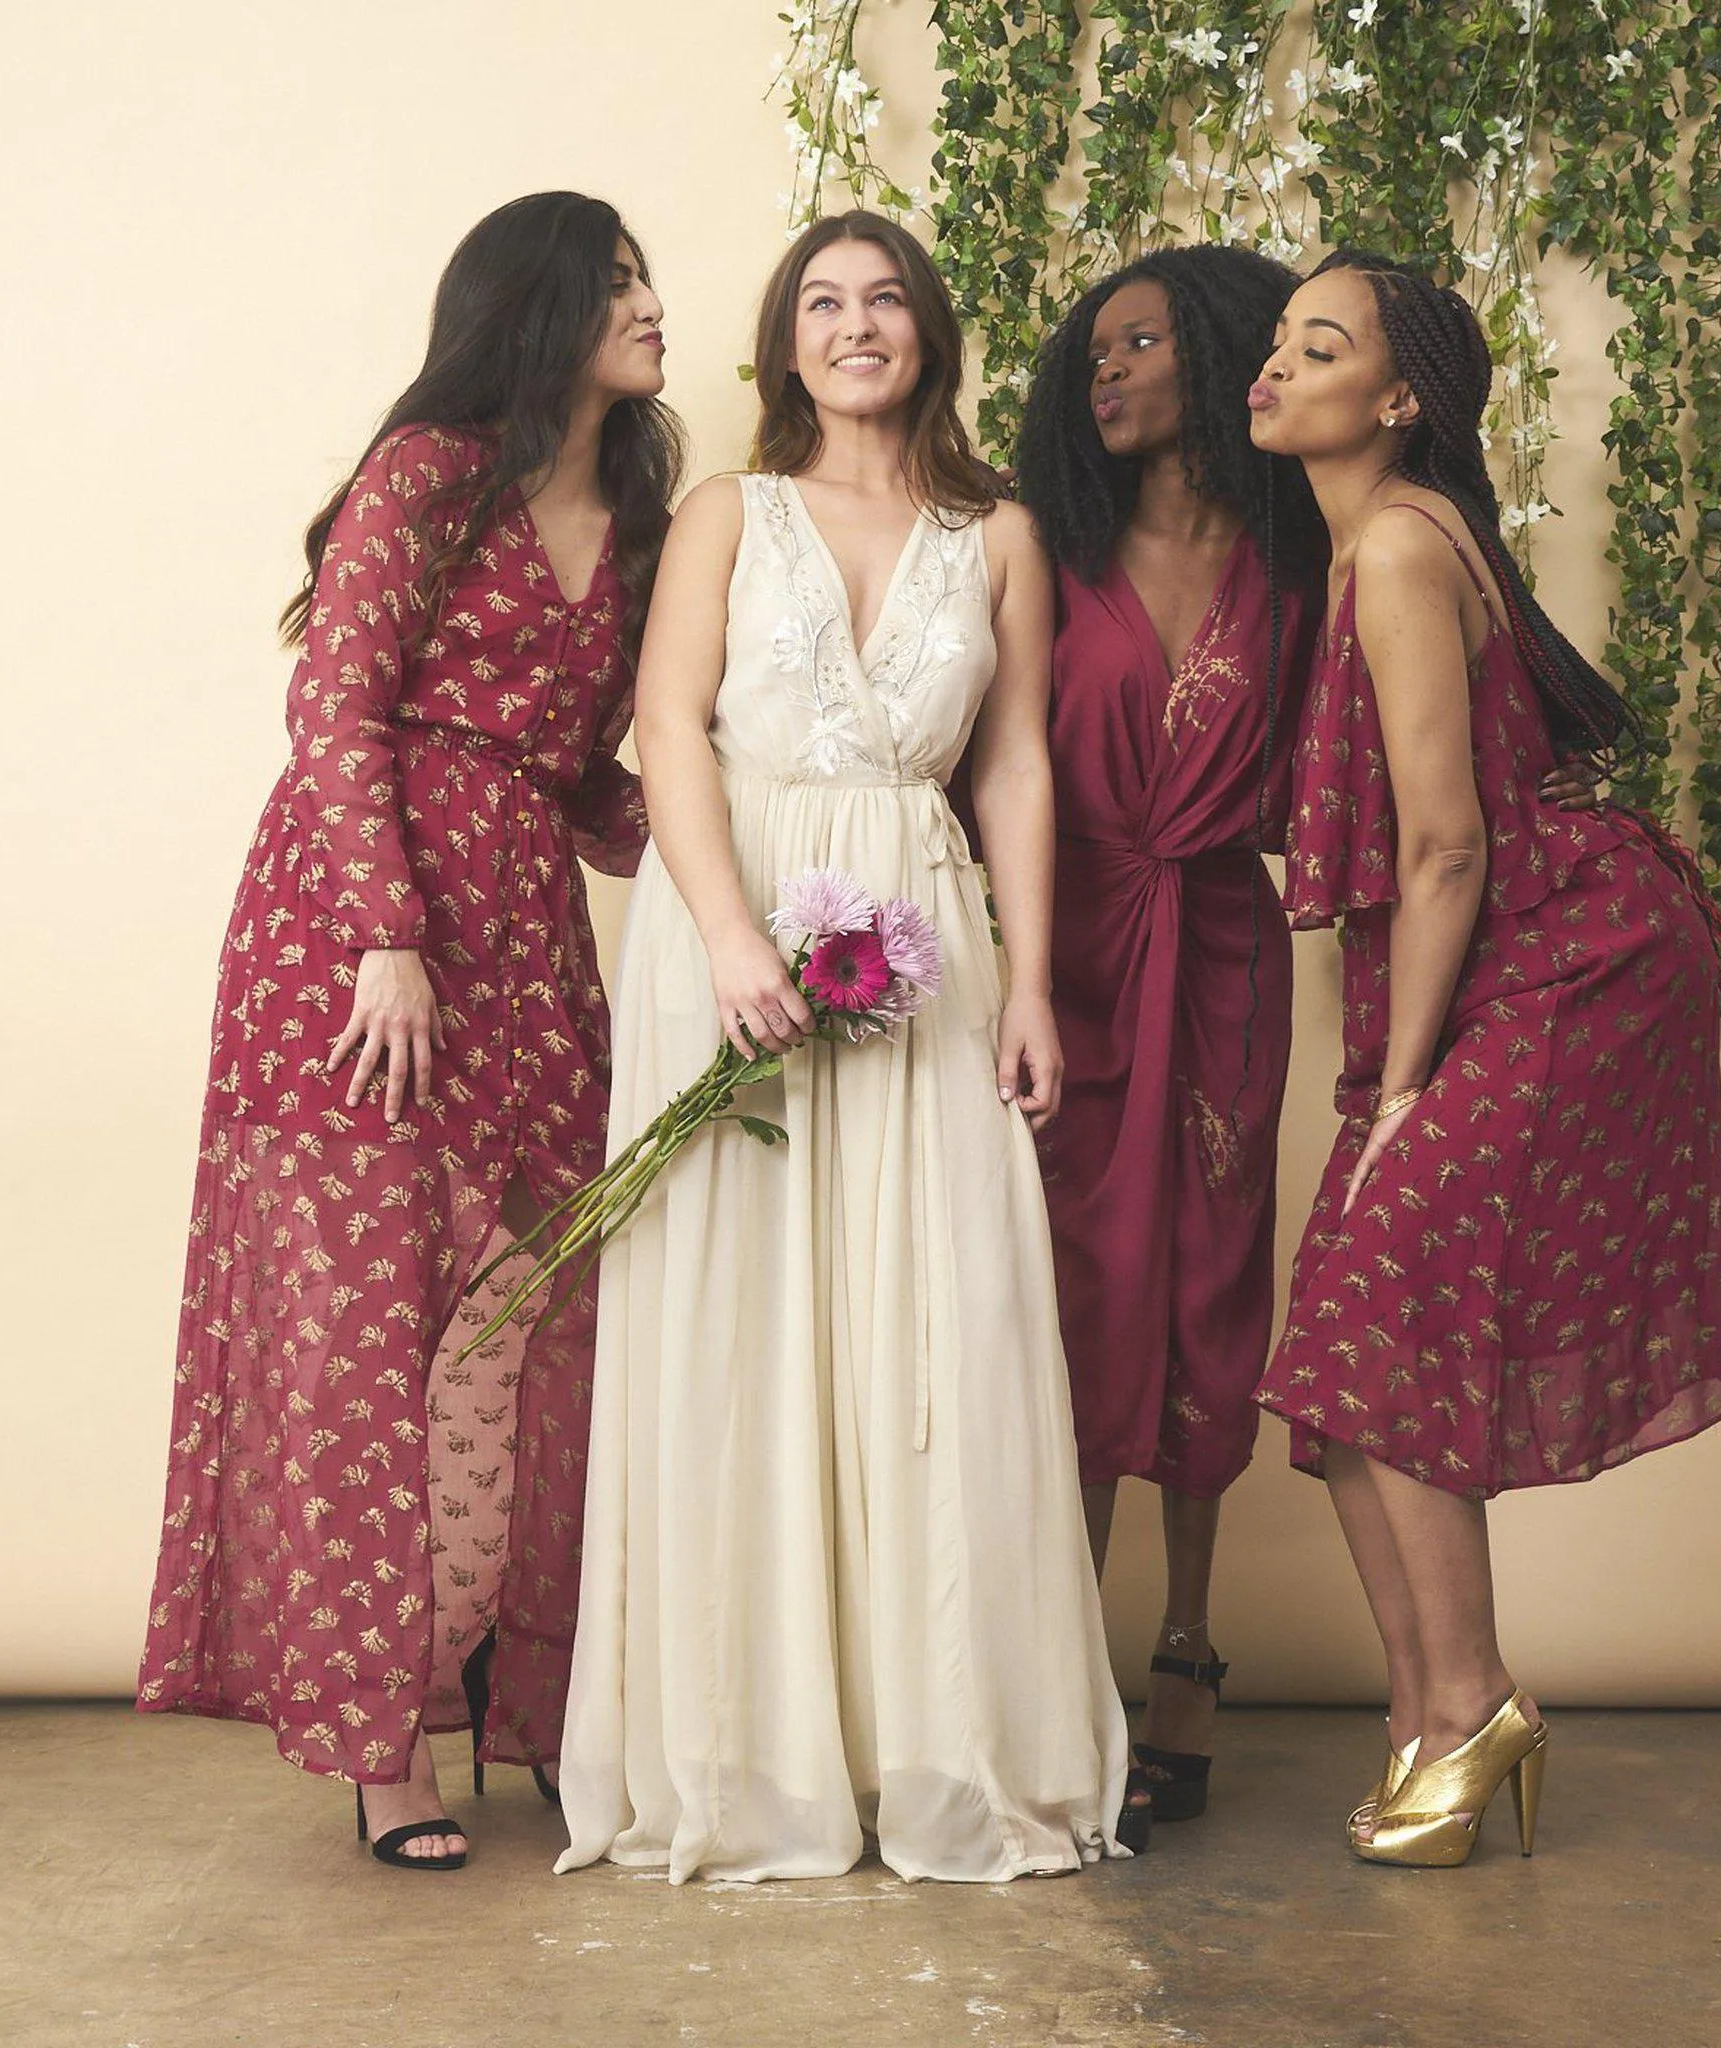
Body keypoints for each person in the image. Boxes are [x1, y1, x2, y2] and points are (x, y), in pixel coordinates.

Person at [556, 209, 1129, 1885]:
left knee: (937, 1324)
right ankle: (746, 1754)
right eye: (824, 301)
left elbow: (1013, 762)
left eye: (886, 298)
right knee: (740, 1314)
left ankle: (941, 1743)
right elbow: (667, 725)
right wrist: (731, 937)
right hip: (729, 927)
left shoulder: (1000, 534)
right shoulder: (731, 510)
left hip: (924, 935)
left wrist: (1025, 981)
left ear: (931, 333)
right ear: (785, 344)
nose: (858, 323)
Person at [137, 192, 683, 1871]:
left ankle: (526, 1697)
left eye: (649, 277)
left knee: (533, 1310)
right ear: (538, 309)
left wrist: (762, 859)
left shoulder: (648, 511)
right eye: (619, 284)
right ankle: (388, 1755)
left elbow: (588, 779)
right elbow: (336, 704)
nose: (654, 306)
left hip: (525, 936)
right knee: (373, 1324)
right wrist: (385, 932)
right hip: (358, 935)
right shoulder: (435, 470)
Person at [1249, 250, 1721, 1867]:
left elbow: (1450, 846)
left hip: (1554, 966)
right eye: (1274, 342)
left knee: (1381, 1319)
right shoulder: (1377, 541)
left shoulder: (1395, 546)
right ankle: (1423, 1724)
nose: (1273, 367)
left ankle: (1467, 1711)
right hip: (1493, 968)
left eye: (1315, 347)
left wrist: (1397, 1098)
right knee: (1335, 1384)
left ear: (1396, 400)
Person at [1013, 246, 1321, 1848]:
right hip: (1062, 969)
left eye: (1139, 344)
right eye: (1092, 353)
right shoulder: (1045, 554)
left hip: (1218, 959)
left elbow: (1382, 764)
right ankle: (1060, 1661)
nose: (1104, 374)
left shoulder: (1310, 563)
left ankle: (1187, 1650)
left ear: (1215, 357)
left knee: (1209, 1288)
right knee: (1075, 1296)